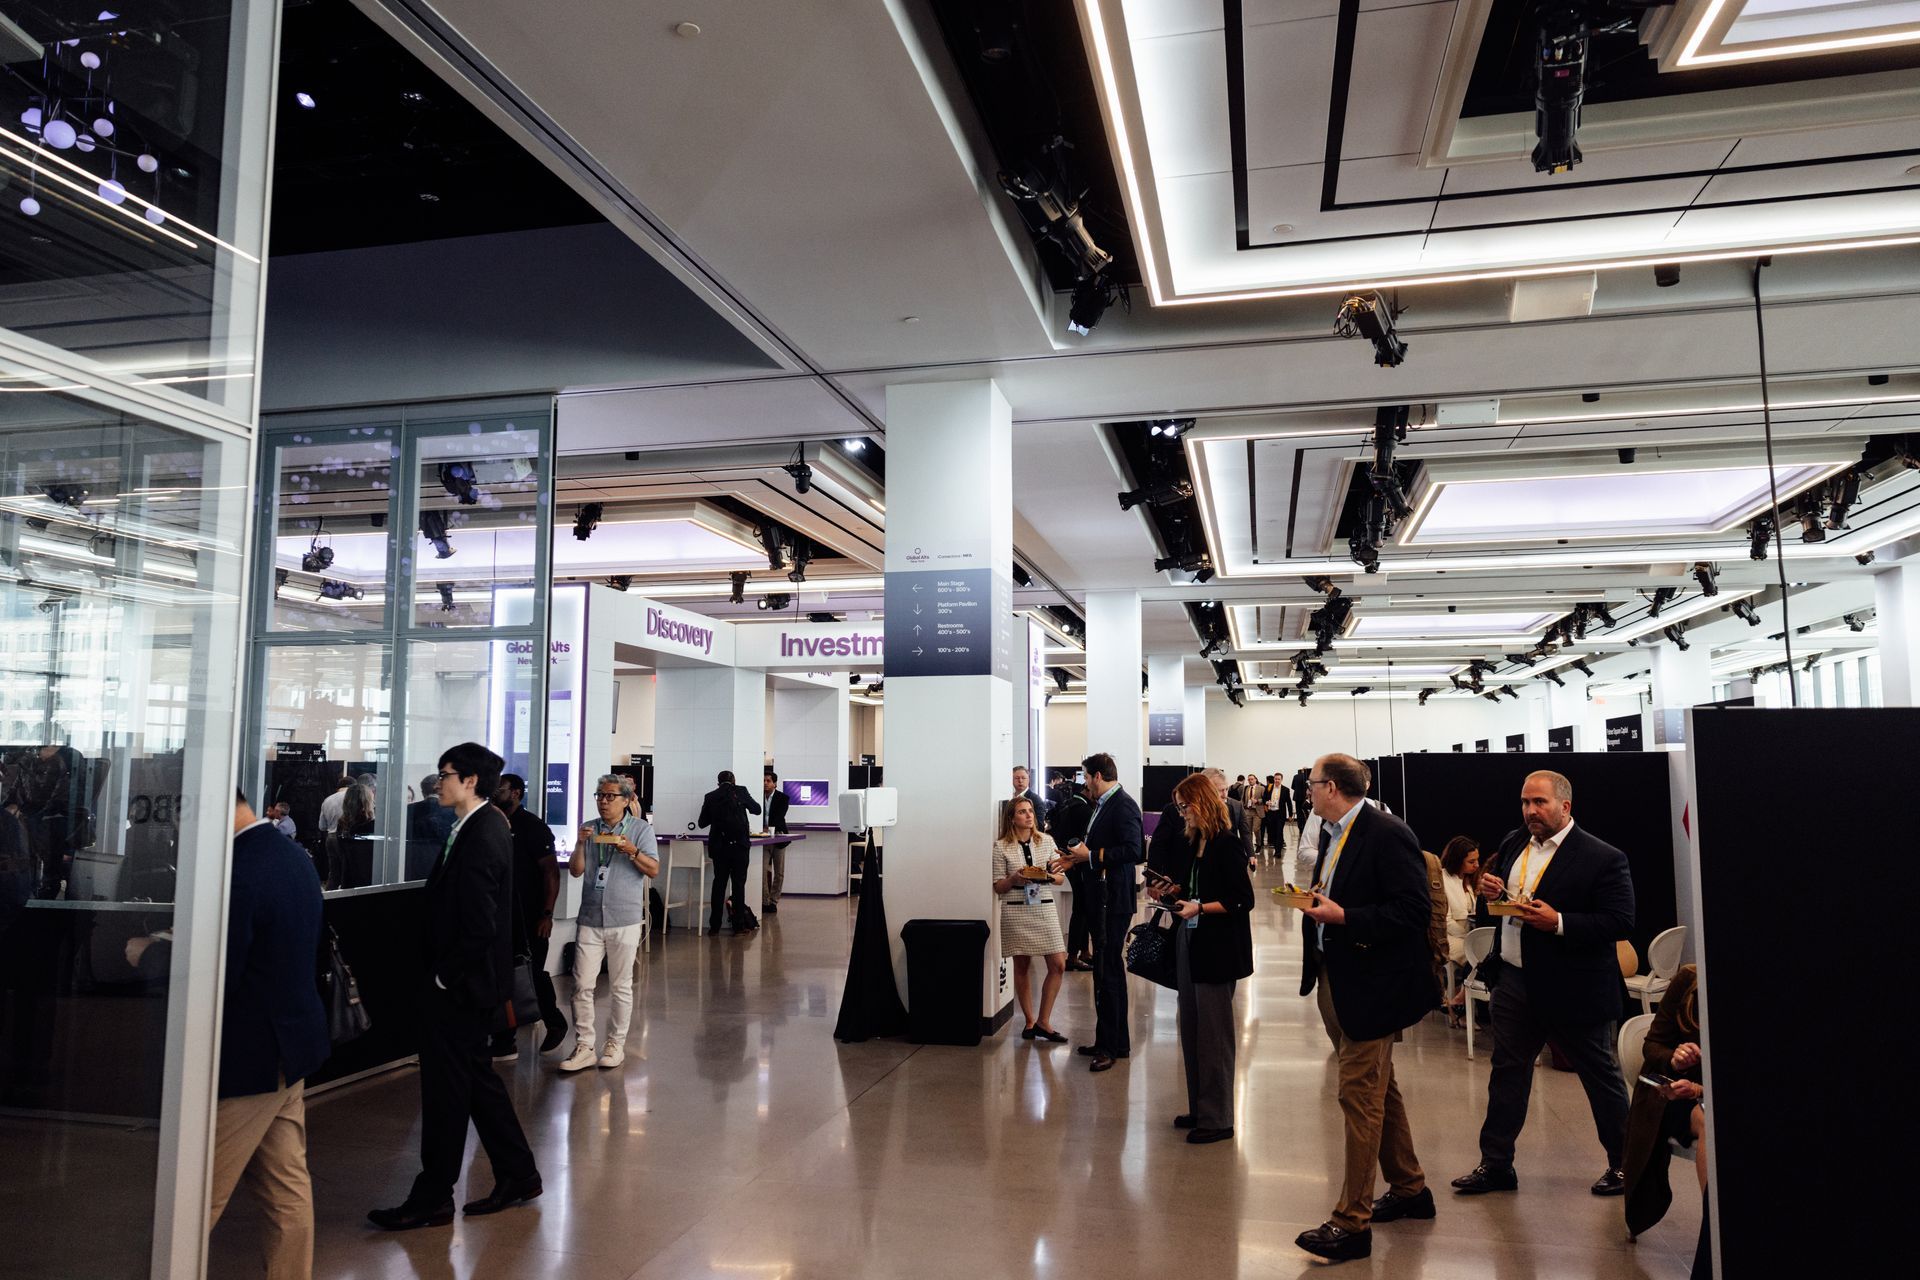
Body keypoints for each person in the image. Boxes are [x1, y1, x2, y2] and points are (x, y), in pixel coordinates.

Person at [369, 742, 540, 1231]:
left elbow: (480, 924)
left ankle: (433, 1197)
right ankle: (519, 1173)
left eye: (444, 774)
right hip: (467, 984)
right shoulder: (473, 827)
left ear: (469, 781)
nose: (437, 782)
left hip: (461, 987)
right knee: (476, 1081)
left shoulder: (484, 832)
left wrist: (446, 977)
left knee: (446, 1091)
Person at [1454, 769, 1636, 1200]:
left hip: (1573, 987)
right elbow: (1504, 901)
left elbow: (1620, 921)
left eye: (1540, 803)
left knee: (1600, 1078)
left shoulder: (1603, 857)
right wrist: (1491, 889)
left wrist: (1558, 922)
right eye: (1525, 802)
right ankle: (1496, 1164)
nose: (1530, 811)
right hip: (1516, 982)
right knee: (1507, 1076)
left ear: (1565, 806)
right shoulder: (1516, 841)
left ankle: (1628, 1164)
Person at [1294, 753, 1437, 1263]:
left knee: (1359, 1095)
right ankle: (1410, 1188)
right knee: (1381, 1085)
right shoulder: (1335, 832)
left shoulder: (1385, 832)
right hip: (1338, 977)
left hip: (1375, 987)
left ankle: (1351, 1222)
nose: (1306, 791)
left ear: (1332, 787)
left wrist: (1345, 915)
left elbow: (1412, 910)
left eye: (1311, 784)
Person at [207, 789, 329, 1278]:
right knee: (285, 1188)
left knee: (197, 1193)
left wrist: (151, 954)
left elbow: (223, 969)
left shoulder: (240, 868)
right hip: (290, 1047)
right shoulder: (291, 855)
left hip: (249, 1057)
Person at [1145, 773, 1254, 1145]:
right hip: (1190, 943)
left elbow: (1242, 901)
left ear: (1201, 804)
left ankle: (1219, 1117)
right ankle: (1200, 1107)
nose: (1181, 813)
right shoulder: (1197, 843)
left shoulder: (1226, 845)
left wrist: (1200, 908)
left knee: (1214, 1037)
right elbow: (1197, 888)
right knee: (1191, 1030)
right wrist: (1175, 890)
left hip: (1218, 950)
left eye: (1184, 806)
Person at [560, 774, 658, 1072]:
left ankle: (615, 1044)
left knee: (620, 985)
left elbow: (653, 869)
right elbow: (577, 871)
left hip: (624, 917)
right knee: (582, 985)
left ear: (627, 800)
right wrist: (579, 845)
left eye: (610, 796)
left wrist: (632, 851)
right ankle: (584, 1045)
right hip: (590, 916)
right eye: (599, 795)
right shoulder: (589, 829)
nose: (603, 801)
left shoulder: (640, 830)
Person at [1050, 752, 1140, 1073]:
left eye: (1086, 777)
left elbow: (1134, 851)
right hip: (1102, 895)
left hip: (1112, 900)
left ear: (1098, 776)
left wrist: (1092, 855)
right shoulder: (1104, 805)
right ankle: (1113, 1041)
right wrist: (1076, 858)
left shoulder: (1123, 804)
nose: (1084, 783)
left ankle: (1111, 1046)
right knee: (1105, 971)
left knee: (1108, 971)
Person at [1625, 964, 1706, 1243]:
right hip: (1674, 1094)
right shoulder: (1689, 980)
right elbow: (1653, 1045)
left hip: (1702, 1091)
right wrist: (1675, 1059)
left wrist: (1701, 1088)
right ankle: (1714, 1223)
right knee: (1710, 1120)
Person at [489, 774, 567, 1060]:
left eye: (502, 788)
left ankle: (555, 1021)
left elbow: (551, 872)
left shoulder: (533, 827)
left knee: (530, 972)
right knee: (502, 973)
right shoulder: (493, 823)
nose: (496, 792)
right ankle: (504, 1038)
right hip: (500, 914)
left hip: (531, 915)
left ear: (517, 793)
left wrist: (547, 913)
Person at [990, 797, 1067, 1042]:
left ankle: (1044, 1021)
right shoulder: (1001, 847)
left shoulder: (1047, 842)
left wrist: (1044, 876)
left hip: (1043, 907)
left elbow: (1060, 879)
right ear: (1012, 818)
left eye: (1031, 811)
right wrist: (1014, 879)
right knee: (1021, 966)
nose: (1029, 815)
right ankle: (1031, 1021)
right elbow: (998, 887)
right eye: (1022, 812)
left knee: (1058, 964)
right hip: (1015, 909)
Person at [697, 769, 761, 934]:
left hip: (720, 848)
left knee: (719, 884)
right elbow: (757, 809)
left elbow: (702, 822)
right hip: (740, 846)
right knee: (739, 885)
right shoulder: (741, 791)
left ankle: (714, 926)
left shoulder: (710, 796)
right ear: (734, 780)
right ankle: (738, 925)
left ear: (718, 782)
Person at [1047, 779, 1095, 971]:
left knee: (1081, 907)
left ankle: (1083, 952)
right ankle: (1074, 955)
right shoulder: (1084, 810)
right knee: (1081, 908)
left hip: (1070, 861)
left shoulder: (1068, 805)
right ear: (1087, 789)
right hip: (1077, 863)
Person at [1438, 837, 1481, 1021]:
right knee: (1480, 954)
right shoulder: (1442, 881)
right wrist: (1470, 936)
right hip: (1448, 937)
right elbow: (1445, 921)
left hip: (1466, 935)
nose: (1477, 865)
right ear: (1457, 860)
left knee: (1486, 951)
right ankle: (1461, 1005)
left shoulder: (1467, 883)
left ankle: (1460, 1001)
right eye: (1471, 861)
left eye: (1477, 860)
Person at [324, 782, 376, 890]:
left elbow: (321, 826)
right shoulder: (373, 826)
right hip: (367, 880)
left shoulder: (342, 823)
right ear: (367, 801)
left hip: (348, 878)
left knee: (334, 873)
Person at [405, 772, 455, 881]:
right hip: (442, 866)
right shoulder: (453, 811)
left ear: (423, 792)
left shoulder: (408, 810)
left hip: (410, 865)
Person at [761, 771, 791, 914]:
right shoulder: (758, 796)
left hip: (779, 837)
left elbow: (779, 816)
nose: (765, 783)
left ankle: (773, 901)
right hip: (762, 839)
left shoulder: (783, 798)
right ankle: (765, 901)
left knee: (779, 873)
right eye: (764, 781)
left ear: (775, 783)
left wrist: (767, 828)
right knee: (761, 870)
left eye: (768, 781)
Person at [1243, 770, 1268, 854]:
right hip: (1248, 811)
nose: (1250, 781)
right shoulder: (1246, 788)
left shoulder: (1261, 788)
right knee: (1248, 830)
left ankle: (1258, 844)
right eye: (1249, 779)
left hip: (1257, 811)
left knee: (1256, 829)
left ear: (1255, 779)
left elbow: (1264, 799)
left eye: (1252, 779)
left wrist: (1257, 801)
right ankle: (1249, 846)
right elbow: (1243, 799)